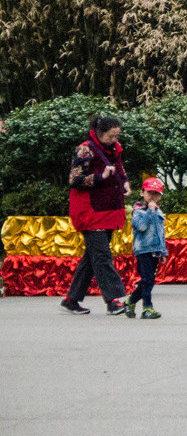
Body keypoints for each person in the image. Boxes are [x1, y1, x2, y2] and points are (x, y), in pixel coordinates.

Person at [62, 114, 130, 315]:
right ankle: (113, 300)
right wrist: (101, 177)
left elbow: (119, 168)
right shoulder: (85, 149)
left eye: (116, 136)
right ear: (99, 134)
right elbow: (74, 180)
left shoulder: (113, 149)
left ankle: (71, 299)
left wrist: (124, 181)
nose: (114, 140)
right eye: (111, 136)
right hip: (89, 209)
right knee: (101, 255)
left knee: (92, 255)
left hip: (108, 207)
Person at [124, 178, 167, 319]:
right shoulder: (138, 211)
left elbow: (161, 233)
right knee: (147, 279)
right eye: (149, 193)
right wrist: (150, 211)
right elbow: (141, 227)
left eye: (156, 193)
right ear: (142, 193)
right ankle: (147, 308)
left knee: (148, 280)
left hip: (155, 249)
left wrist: (163, 251)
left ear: (160, 196)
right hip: (143, 250)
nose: (152, 196)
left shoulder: (158, 212)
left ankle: (130, 301)